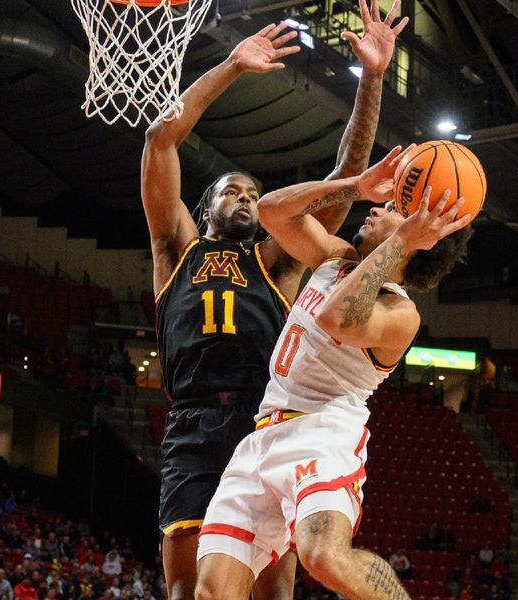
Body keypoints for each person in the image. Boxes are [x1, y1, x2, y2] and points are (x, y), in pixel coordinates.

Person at [142, 0, 407, 597]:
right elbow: (161, 141)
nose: (244, 198)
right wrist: (231, 66)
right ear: (203, 206)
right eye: (230, 191)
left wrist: (372, 79)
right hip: (191, 422)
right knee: (189, 591)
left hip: (262, 422)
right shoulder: (174, 249)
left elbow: (350, 170)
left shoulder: (281, 260)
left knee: (273, 590)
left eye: (252, 193)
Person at [195, 145, 473, 600]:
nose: (378, 208)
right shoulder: (334, 258)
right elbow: (271, 212)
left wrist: (403, 241)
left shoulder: (400, 312)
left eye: (393, 211)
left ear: (421, 238)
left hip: (323, 433)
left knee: (322, 556)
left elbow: (336, 319)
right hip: (262, 435)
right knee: (211, 594)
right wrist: (354, 185)